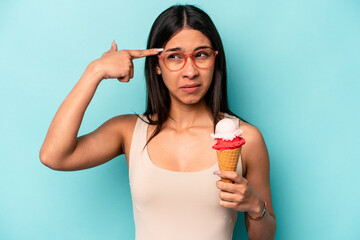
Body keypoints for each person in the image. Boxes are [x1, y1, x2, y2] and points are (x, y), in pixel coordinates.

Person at [40, 4, 276, 240]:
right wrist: (95, 71)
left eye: (201, 55)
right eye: (175, 57)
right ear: (157, 65)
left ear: (216, 59)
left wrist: (256, 207)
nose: (190, 71)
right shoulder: (129, 131)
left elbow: (263, 237)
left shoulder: (246, 138)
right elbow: (53, 155)